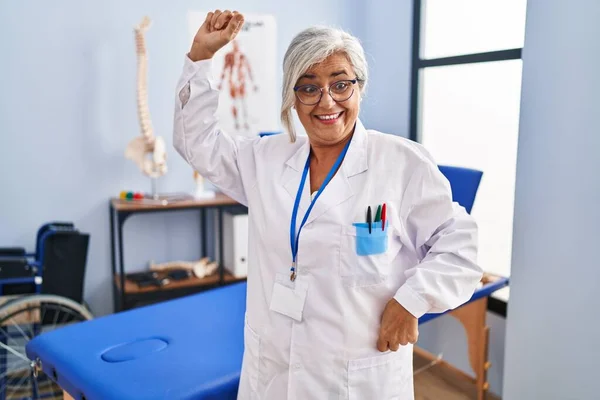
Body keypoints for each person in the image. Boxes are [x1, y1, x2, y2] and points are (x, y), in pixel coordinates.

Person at [173, 9, 483, 400]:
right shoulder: (266, 159)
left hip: (355, 379)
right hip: (273, 369)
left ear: (359, 88)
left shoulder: (401, 163)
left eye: (340, 84)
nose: (326, 101)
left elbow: (461, 249)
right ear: (292, 96)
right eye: (308, 87)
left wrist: (412, 301)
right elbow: (195, 143)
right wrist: (200, 56)